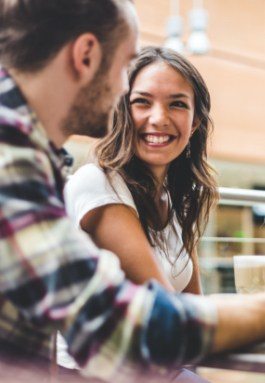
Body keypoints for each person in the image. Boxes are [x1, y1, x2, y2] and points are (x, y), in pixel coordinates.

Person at [0, 1, 265, 383]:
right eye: (126, 67)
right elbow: (120, 329)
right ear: (86, 55)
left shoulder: (36, 156)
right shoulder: (12, 157)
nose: (126, 89)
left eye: (177, 104)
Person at [65, 46, 218, 295]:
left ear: (194, 124)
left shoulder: (177, 200)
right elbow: (170, 312)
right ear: (121, 111)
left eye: (177, 104)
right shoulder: (99, 184)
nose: (159, 118)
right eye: (142, 102)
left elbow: (194, 305)